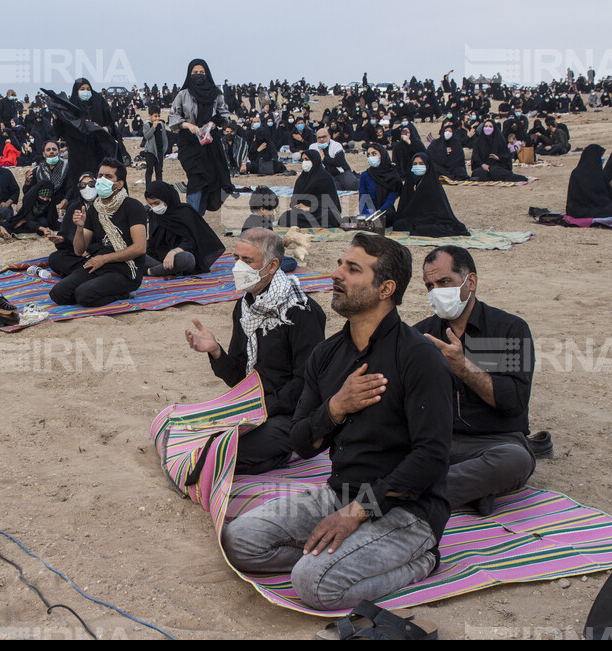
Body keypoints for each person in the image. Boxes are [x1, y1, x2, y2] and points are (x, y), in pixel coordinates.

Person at [222, 234, 453, 611]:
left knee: (313, 584)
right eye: (340, 264)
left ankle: (424, 558)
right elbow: (299, 442)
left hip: (405, 508)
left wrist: (357, 512)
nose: (336, 274)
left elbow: (432, 457)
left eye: (352, 269)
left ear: (386, 289)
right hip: (337, 494)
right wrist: (336, 407)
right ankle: (334, 556)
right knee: (238, 540)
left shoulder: (419, 357)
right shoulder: (327, 355)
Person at [185, 228, 326, 475]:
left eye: (247, 261)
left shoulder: (300, 312)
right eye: (236, 258)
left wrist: (259, 408)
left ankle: (287, 452)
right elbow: (240, 377)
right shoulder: (246, 307)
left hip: (292, 415)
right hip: (257, 407)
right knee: (193, 438)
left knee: (219, 454)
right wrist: (216, 351)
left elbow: (307, 384)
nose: (238, 267)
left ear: (272, 266)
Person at [415, 246, 535, 515]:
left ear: (471, 281)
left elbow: (514, 402)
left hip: (493, 443)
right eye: (429, 285)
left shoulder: (509, 329)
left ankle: (414, 497)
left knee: (514, 461)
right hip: (436, 441)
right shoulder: (421, 335)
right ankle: (472, 491)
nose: (436, 292)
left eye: (444, 282)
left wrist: (463, 367)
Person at [49, 158, 147, 308]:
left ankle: (125, 292)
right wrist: (80, 228)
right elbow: (79, 250)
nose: (102, 180)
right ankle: (98, 288)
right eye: (100, 176)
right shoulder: (96, 208)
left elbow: (140, 248)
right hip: (98, 265)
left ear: (119, 184)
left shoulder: (132, 206)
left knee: (84, 295)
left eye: (108, 177)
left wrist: (105, 259)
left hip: (125, 270)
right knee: (58, 294)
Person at [168, 59, 233, 216]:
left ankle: (198, 216)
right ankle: (191, 215)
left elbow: (225, 115)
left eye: (201, 73)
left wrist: (213, 123)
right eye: (195, 73)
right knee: (196, 177)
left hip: (210, 144)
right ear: (190, 74)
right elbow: (173, 117)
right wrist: (189, 126)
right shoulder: (183, 95)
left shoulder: (216, 94)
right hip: (189, 143)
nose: (198, 75)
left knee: (209, 180)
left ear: (207, 74)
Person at [143, 181, 225, 276]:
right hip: (159, 258)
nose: (154, 207)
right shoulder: (154, 215)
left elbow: (193, 240)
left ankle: (150, 271)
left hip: (179, 257)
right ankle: (164, 269)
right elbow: (154, 243)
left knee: (186, 259)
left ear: (166, 198)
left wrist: (174, 252)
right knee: (133, 255)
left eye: (156, 203)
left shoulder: (185, 212)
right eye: (151, 204)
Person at [393, 154, 469, 237]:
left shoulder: (432, 182)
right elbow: (405, 205)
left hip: (431, 218)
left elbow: (437, 210)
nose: (418, 166)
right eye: (415, 164)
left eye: (421, 163)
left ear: (427, 165)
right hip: (413, 217)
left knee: (427, 228)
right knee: (398, 224)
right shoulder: (410, 181)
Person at [39, 172, 97, 276]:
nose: (87, 188)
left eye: (91, 184)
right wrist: (62, 240)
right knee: (55, 258)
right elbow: (69, 240)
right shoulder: (75, 206)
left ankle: (82, 274)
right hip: (78, 254)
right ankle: (86, 273)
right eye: (82, 186)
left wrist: (91, 250)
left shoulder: (105, 205)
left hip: (99, 253)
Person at [278, 149, 343, 229]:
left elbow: (332, 205)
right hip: (304, 215)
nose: (304, 162)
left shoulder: (327, 178)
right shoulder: (301, 180)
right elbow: (294, 203)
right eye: (303, 160)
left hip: (321, 213)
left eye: (307, 159)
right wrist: (300, 208)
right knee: (286, 216)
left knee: (332, 215)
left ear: (315, 160)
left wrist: (310, 208)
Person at [357, 143, 401, 225]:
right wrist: (368, 214)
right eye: (369, 155)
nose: (371, 157)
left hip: (385, 211)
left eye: (374, 154)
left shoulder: (392, 175)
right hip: (370, 211)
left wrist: (378, 212)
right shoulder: (365, 175)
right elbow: (363, 198)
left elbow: (390, 200)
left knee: (387, 215)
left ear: (382, 155)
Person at [566, 144, 612, 218]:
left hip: (590, 206)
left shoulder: (596, 172)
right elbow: (593, 196)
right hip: (581, 209)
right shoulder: (578, 174)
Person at [311, 127, 358, 191]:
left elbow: (339, 162)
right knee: (330, 188)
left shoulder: (336, 145)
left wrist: (324, 158)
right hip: (325, 175)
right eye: (319, 137)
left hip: (341, 172)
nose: (321, 139)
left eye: (324, 137)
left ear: (329, 136)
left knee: (353, 186)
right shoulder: (312, 147)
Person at [141, 106, 167, 186]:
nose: (157, 118)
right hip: (150, 152)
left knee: (159, 171)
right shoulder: (146, 125)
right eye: (155, 116)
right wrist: (153, 127)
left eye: (158, 116)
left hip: (159, 152)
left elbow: (164, 137)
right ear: (150, 116)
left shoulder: (161, 125)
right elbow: (147, 136)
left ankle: (160, 187)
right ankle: (148, 187)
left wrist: (164, 150)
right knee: (149, 170)